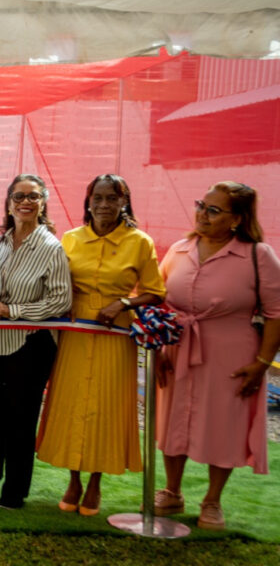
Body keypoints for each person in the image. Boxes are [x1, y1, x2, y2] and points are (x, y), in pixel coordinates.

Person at [36, 174, 165, 517]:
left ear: (124, 202)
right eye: (98, 198)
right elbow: (57, 282)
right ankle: (73, 479)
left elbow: (156, 290)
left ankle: (95, 482)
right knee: (73, 403)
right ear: (88, 201)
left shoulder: (140, 242)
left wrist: (123, 303)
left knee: (106, 407)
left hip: (115, 337)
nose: (104, 205)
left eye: (112, 198)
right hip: (75, 335)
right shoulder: (70, 238)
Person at [154, 182, 280, 530]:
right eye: (201, 205)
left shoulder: (259, 255)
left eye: (213, 210)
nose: (201, 214)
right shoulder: (180, 249)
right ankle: (172, 491)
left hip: (230, 353)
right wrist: (160, 347)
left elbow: (276, 312)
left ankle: (212, 501)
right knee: (173, 419)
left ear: (237, 219)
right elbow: (159, 298)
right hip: (177, 348)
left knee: (223, 423)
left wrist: (262, 362)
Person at [0, 174, 71, 509]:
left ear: (43, 202)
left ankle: (16, 488)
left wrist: (13, 310)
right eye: (19, 196)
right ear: (9, 202)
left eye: (33, 196)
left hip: (30, 343)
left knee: (20, 418)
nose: (26, 202)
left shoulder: (51, 248)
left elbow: (60, 301)